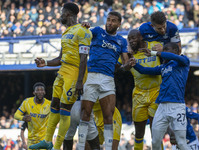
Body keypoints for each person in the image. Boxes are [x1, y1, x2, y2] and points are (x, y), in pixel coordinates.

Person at [29, 2, 92, 150]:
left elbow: (84, 58)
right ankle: (47, 141)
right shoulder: (65, 33)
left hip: (75, 73)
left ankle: (57, 147)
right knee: (54, 105)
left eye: (62, 12)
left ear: (69, 14)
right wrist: (45, 62)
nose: (60, 15)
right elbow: (60, 58)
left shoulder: (83, 31)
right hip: (63, 71)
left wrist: (79, 81)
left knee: (65, 109)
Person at [77, 11, 129, 150]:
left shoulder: (121, 41)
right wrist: (84, 26)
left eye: (113, 21)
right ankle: (80, 147)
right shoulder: (98, 31)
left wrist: (128, 64)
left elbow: (125, 64)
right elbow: (84, 34)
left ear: (119, 24)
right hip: (92, 75)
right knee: (85, 114)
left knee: (108, 116)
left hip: (108, 79)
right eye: (108, 20)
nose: (110, 23)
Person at [130, 42, 190, 150]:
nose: (164, 52)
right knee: (155, 141)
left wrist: (155, 53)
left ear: (176, 51)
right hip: (161, 107)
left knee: (181, 143)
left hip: (177, 106)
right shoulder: (163, 67)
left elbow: (171, 57)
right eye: (164, 49)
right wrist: (135, 64)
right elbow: (145, 71)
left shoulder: (183, 61)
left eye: (167, 49)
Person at [127, 29, 162, 150]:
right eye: (129, 39)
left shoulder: (154, 45)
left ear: (141, 37)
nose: (131, 41)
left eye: (133, 38)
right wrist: (126, 64)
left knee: (156, 130)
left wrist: (161, 51)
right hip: (139, 94)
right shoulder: (129, 53)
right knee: (139, 132)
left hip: (156, 92)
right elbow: (120, 68)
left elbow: (171, 52)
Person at [14, 82, 51, 149]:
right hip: (32, 141)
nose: (40, 92)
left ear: (44, 92)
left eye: (42, 90)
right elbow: (16, 115)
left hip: (44, 140)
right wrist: (23, 118)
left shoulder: (49, 104)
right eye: (37, 90)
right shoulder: (27, 102)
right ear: (34, 92)